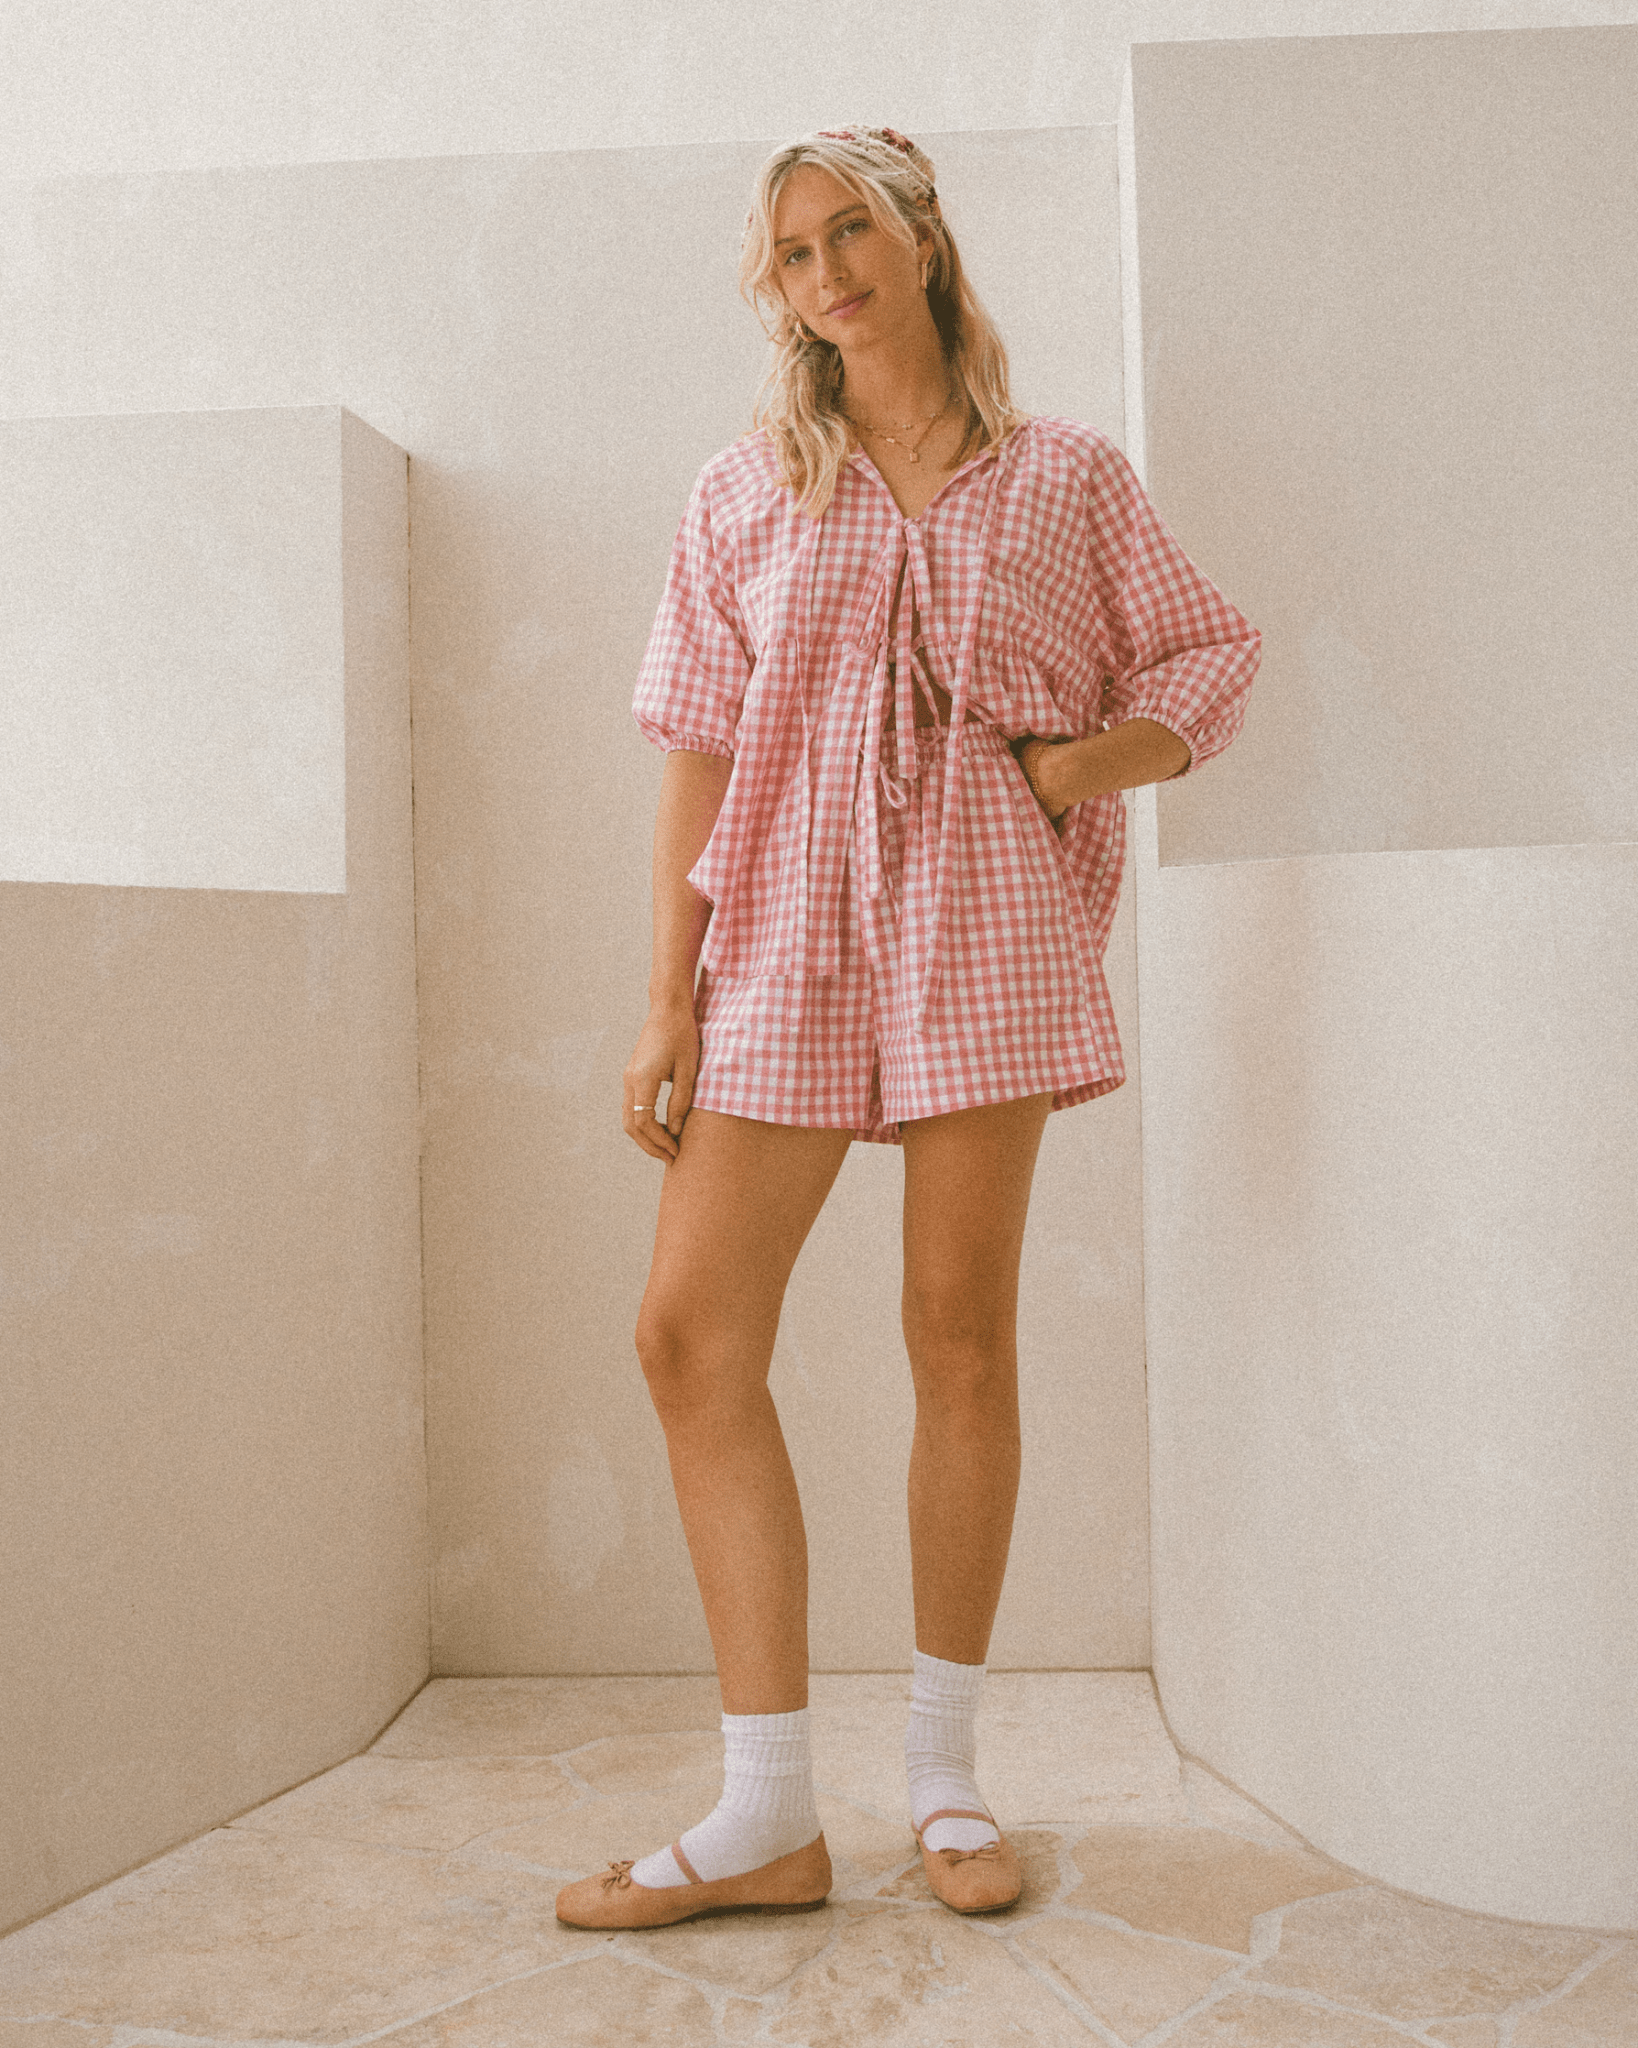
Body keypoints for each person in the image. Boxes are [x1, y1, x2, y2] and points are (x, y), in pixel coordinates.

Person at [555, 124, 1261, 1932]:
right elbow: (698, 747)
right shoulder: (743, 490)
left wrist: (1072, 769)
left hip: (981, 921)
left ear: (921, 237)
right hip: (784, 923)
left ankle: (945, 1775)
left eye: (848, 231)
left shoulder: (1066, 475)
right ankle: (766, 1813)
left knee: (957, 1336)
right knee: (686, 1336)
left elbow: (1208, 654)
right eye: (791, 254)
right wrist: (664, 997)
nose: (825, 274)